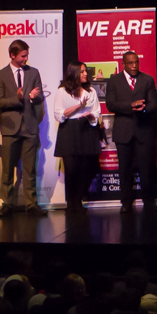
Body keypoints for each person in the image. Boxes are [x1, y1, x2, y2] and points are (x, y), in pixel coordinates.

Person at [0, 39, 47, 217]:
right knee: (8, 169)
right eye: (23, 56)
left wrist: (32, 97)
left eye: (27, 55)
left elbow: (40, 98)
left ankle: (31, 204)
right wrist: (18, 98)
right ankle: (7, 204)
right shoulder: (0, 75)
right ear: (12, 55)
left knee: (30, 169)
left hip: (30, 127)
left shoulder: (34, 73)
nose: (26, 59)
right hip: (10, 129)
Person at [106, 51, 157, 213]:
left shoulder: (147, 79)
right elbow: (111, 104)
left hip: (143, 130)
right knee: (125, 168)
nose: (134, 66)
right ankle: (126, 202)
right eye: (131, 63)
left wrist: (143, 109)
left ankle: (149, 201)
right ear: (123, 63)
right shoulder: (114, 81)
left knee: (146, 167)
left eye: (136, 62)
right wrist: (131, 105)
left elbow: (153, 103)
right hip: (123, 132)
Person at [53, 61, 101, 214]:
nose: (85, 74)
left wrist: (90, 116)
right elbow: (58, 114)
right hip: (69, 130)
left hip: (86, 129)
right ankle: (71, 202)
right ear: (73, 73)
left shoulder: (91, 91)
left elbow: (97, 111)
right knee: (72, 168)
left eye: (85, 71)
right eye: (81, 72)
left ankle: (79, 200)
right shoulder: (62, 91)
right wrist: (78, 107)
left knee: (86, 168)